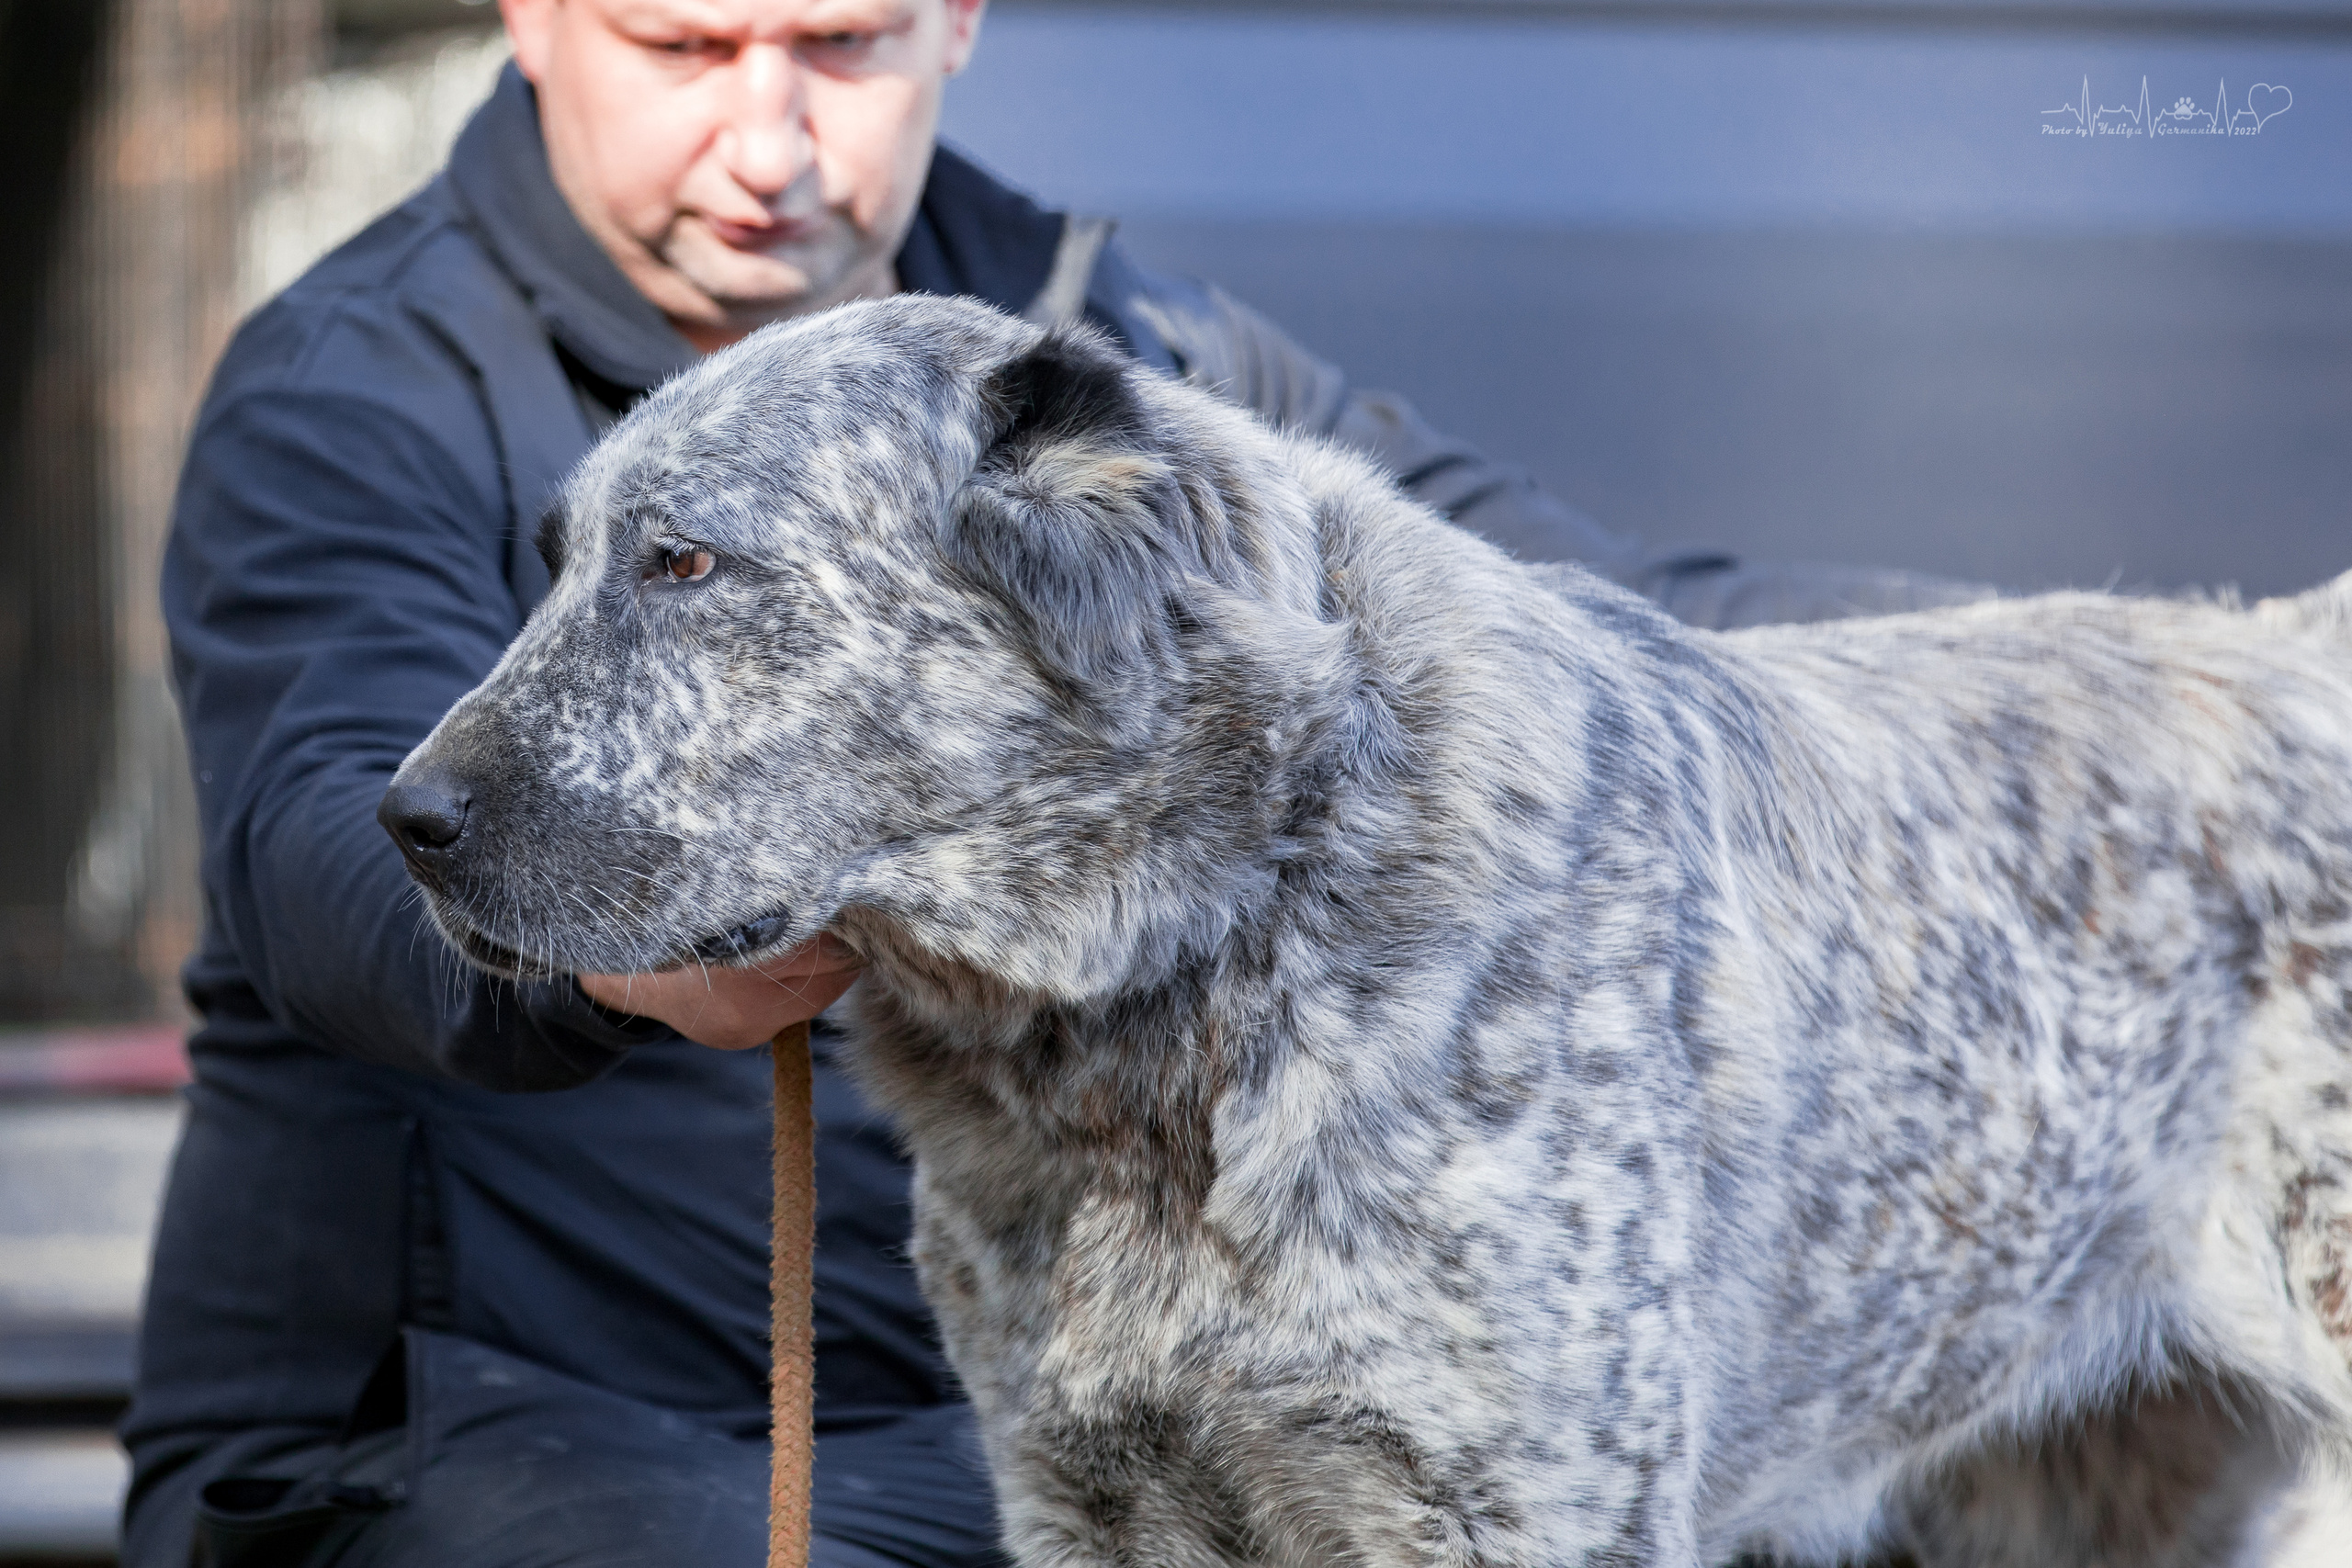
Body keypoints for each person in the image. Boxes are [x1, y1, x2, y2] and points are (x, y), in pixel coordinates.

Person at [123, 2, 1983, 1563]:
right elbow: (328, 843)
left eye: (838, 46)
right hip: (493, 1425)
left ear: (956, 19)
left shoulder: (1093, 355)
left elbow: (1604, 611)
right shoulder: (352, 392)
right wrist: (627, 967)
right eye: (682, 43)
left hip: (989, 1408)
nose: (767, 139)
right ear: (527, 14)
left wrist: (2051, 674)